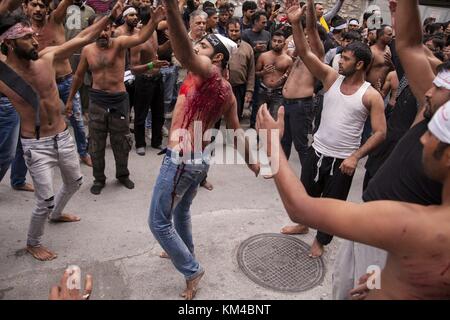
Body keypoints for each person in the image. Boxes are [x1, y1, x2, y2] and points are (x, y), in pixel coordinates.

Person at [332, 0, 450, 299]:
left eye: (439, 87)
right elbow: (409, 45)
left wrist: (395, 277)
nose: (428, 90)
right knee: (342, 290)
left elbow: (301, 208)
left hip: (394, 249)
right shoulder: (433, 108)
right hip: (368, 222)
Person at [149, 0, 259, 300]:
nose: (197, 50)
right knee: (181, 209)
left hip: (181, 160)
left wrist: (172, 9)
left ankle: (191, 268)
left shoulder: (208, 72)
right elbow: (235, 132)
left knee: (158, 222)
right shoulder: (225, 90)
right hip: (197, 159)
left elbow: (183, 52)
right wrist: (252, 162)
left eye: (204, 48)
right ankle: (184, 251)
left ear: (218, 57)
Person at [0, 0, 124, 261]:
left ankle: (57, 214)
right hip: (36, 145)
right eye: (27, 38)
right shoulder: (4, 77)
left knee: (75, 182)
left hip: (63, 136)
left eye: (33, 36)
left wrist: (109, 17)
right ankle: (34, 242)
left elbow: (83, 37)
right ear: (9, 44)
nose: (35, 41)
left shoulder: (47, 58)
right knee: (43, 200)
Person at [281, 4, 386, 258]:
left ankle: (321, 240)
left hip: (342, 161)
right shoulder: (330, 78)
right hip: (316, 151)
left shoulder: (371, 95)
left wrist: (354, 157)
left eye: (346, 59)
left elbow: (381, 132)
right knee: (305, 196)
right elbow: (305, 53)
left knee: (331, 205)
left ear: (360, 64)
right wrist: (296, 23)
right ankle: (304, 223)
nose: (339, 60)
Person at [67, 6, 165, 195]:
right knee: (96, 144)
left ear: (111, 29)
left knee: (121, 142)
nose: (103, 32)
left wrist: (153, 21)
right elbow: (78, 76)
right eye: (99, 29)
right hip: (97, 101)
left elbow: (140, 38)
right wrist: (70, 99)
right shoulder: (87, 50)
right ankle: (99, 178)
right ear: (91, 30)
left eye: (106, 28)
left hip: (119, 100)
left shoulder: (119, 43)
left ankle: (122, 174)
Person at [23, 0, 92, 167]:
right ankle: (45, 156)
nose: (38, 9)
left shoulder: (55, 20)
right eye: (34, 4)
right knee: (42, 121)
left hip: (66, 80)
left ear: (48, 9)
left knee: (77, 120)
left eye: (42, 5)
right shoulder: (24, 31)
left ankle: (83, 152)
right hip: (43, 84)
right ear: (26, 7)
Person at [280, 0, 324, 190]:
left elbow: (313, 28)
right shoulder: (300, 56)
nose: (304, 37)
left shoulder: (317, 55)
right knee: (284, 141)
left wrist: (310, 5)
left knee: (302, 147)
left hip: (301, 105)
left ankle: (309, 180)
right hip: (287, 103)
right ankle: (280, 174)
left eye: (308, 36)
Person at [130, 10, 169, 155]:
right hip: (144, 80)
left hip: (158, 78)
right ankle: (140, 143)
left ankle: (156, 141)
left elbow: (157, 50)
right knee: (141, 113)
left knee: (159, 113)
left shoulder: (153, 33)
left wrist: (170, 41)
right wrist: (152, 65)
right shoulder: (137, 40)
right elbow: (133, 69)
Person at [255, 30, 292, 120]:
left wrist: (284, 79)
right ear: (271, 41)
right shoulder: (263, 56)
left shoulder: (288, 60)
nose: (276, 43)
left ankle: (272, 135)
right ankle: (260, 134)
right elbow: (255, 73)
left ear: (284, 43)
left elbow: (289, 78)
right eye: (274, 41)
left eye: (279, 42)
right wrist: (263, 72)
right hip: (263, 90)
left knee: (274, 119)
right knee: (260, 117)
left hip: (278, 92)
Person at [227, 17, 255, 121]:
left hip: (239, 88)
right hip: (222, 86)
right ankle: (212, 137)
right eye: (231, 31)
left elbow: (251, 71)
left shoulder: (247, 48)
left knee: (235, 118)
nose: (234, 33)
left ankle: (231, 137)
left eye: (236, 31)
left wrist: (249, 91)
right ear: (227, 31)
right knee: (215, 119)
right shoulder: (220, 45)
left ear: (241, 30)